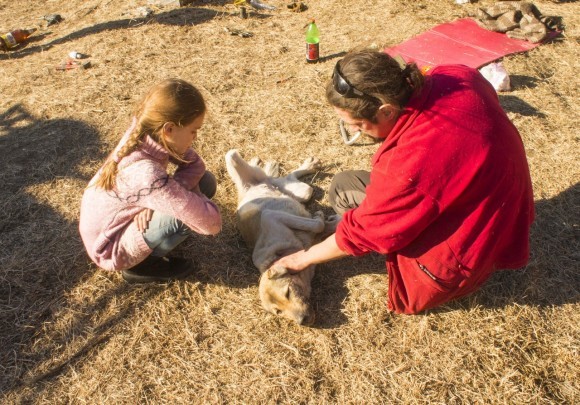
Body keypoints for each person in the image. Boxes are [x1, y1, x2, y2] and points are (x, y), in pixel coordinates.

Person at [274, 50, 535, 314]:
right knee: (344, 185)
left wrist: (303, 258)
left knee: (368, 215)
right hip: (502, 215)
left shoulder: (411, 163)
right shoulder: (456, 74)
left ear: (387, 111)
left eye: (358, 125)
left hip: (468, 256)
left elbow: (363, 230)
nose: (354, 131)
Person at [79, 78, 221, 283]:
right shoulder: (146, 174)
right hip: (110, 246)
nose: (195, 137)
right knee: (182, 217)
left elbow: (196, 166)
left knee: (206, 181)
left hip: (118, 218)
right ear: (169, 129)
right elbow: (212, 224)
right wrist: (190, 195)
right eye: (193, 130)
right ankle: (140, 266)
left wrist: (154, 204)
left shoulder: (149, 133)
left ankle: (152, 232)